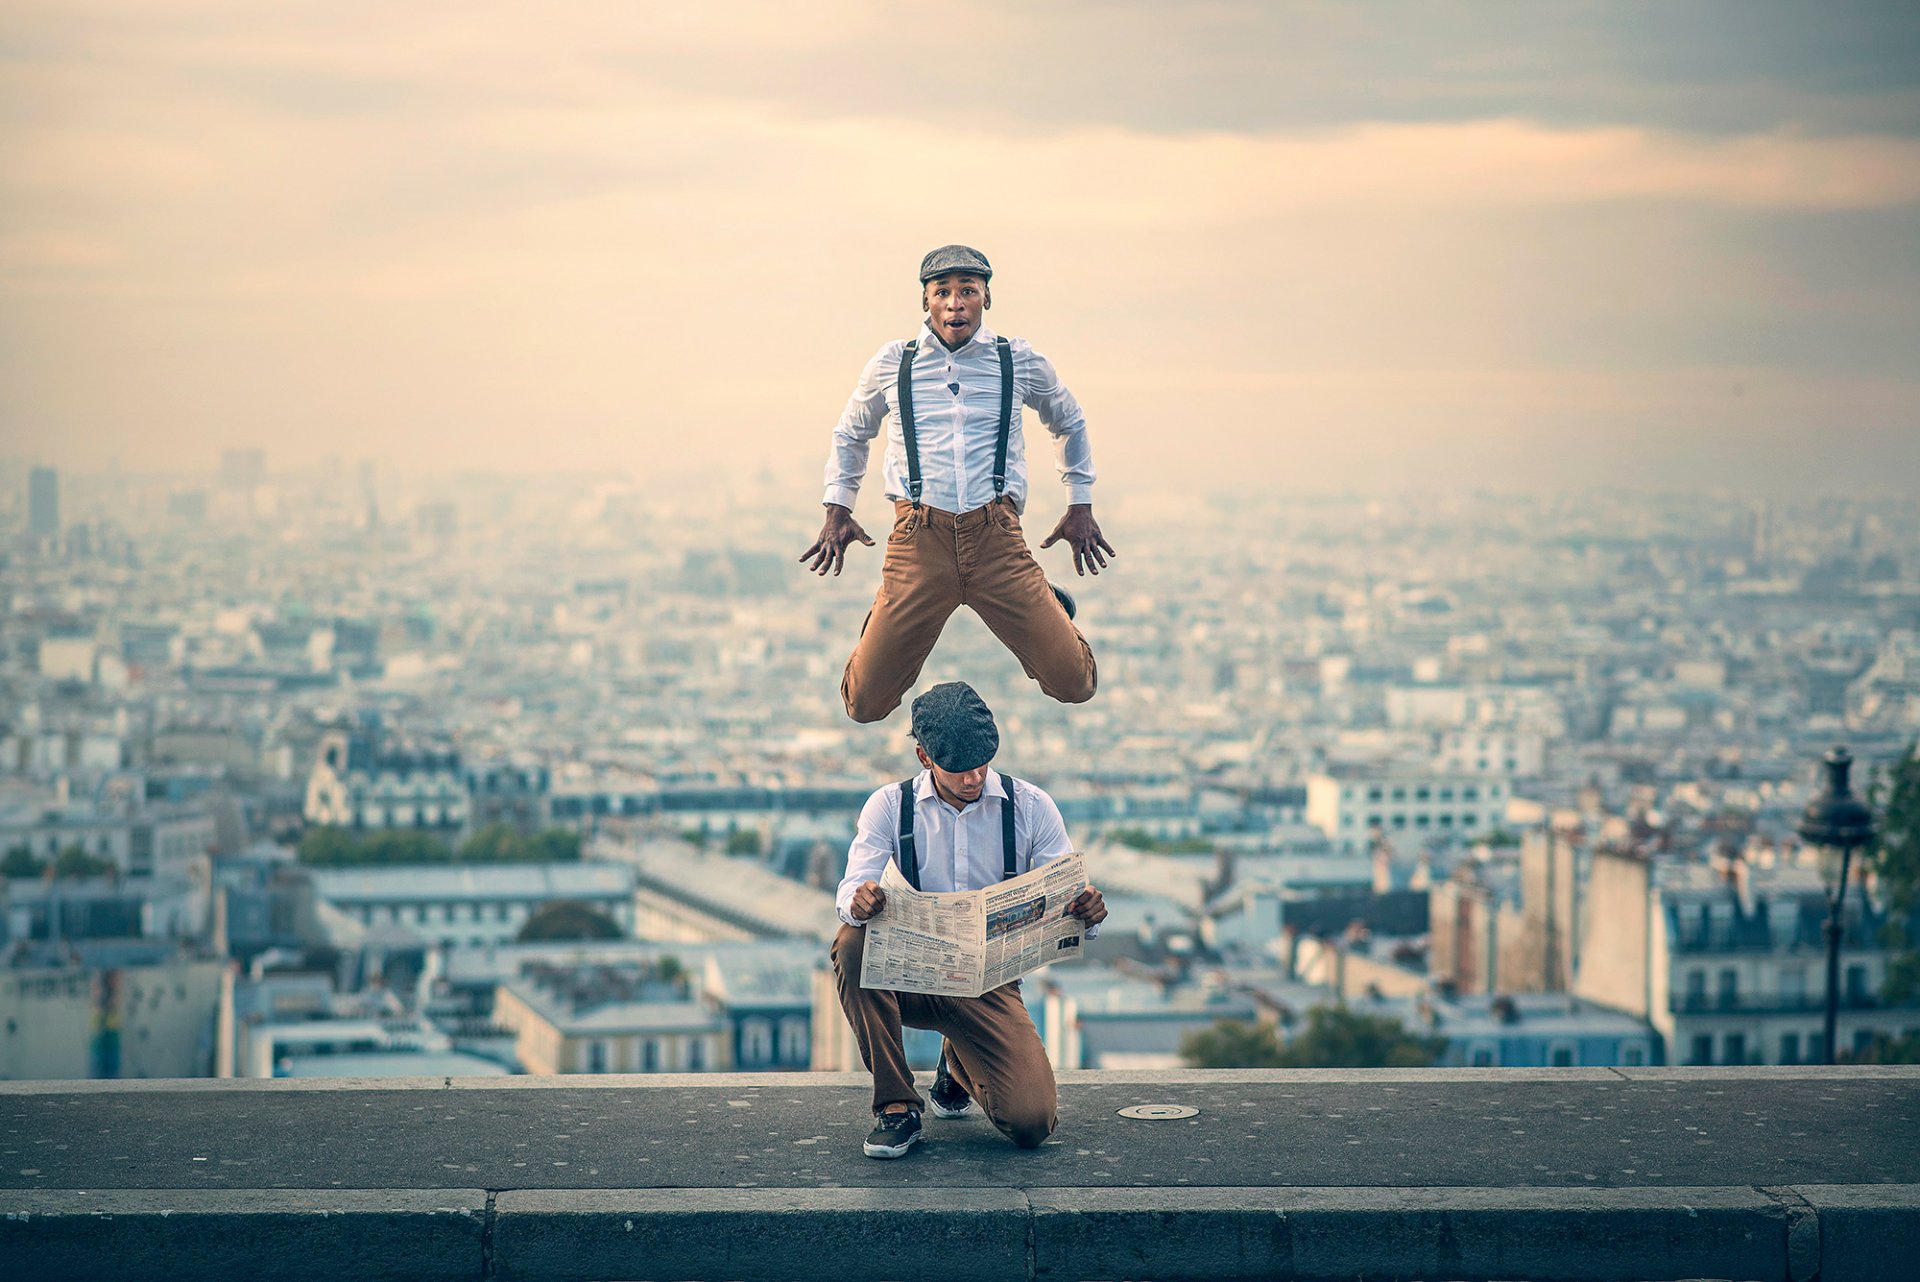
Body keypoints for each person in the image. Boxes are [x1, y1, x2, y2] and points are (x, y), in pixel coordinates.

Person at [801, 244, 1116, 724]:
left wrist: (1080, 504)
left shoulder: (1016, 359)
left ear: (986, 298)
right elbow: (851, 433)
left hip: (996, 537)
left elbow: (1068, 420)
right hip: (918, 539)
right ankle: (886, 616)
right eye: (942, 292)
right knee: (864, 704)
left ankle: (1047, 603)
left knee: (1075, 683)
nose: (955, 303)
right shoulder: (893, 362)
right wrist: (837, 508)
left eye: (967, 291)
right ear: (925, 301)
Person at [831, 681, 1107, 1159]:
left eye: (983, 763)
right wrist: (860, 902)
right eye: (959, 769)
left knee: (1031, 1123)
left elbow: (1064, 891)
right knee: (851, 943)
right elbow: (851, 887)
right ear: (923, 757)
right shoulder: (889, 806)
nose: (975, 778)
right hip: (908, 976)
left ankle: (956, 1063)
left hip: (988, 985)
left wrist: (1087, 912)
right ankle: (896, 1106)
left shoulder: (1031, 806)